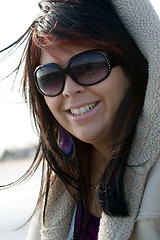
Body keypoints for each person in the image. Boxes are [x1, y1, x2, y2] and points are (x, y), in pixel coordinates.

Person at [1, 0, 160, 239]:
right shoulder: (55, 196)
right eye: (51, 78)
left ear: (134, 66)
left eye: (88, 67)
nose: (69, 89)